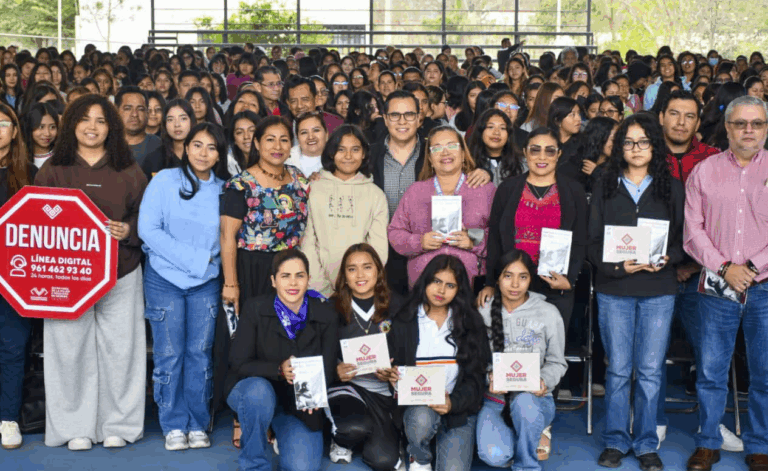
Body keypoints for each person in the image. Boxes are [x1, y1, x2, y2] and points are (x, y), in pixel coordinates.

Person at [34, 94, 148, 451]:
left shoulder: (129, 169)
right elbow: (34, 220)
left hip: (121, 273)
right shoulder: (52, 169)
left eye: (101, 120)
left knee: (122, 351)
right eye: (85, 119)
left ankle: (120, 424)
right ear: (72, 125)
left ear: (111, 127)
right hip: (67, 280)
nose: (93, 127)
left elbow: (148, 217)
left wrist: (130, 230)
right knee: (68, 353)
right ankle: (73, 427)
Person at [587, 114, 684, 471]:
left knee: (649, 371)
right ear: (619, 148)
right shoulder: (605, 184)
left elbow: (681, 241)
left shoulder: (671, 186)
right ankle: (615, 440)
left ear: (654, 145)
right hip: (615, 288)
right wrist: (615, 266)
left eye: (643, 141)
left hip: (659, 288)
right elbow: (592, 241)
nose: (636, 148)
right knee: (618, 371)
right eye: (628, 142)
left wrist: (666, 258)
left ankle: (645, 444)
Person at [683, 96, 768, 471]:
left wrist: (751, 267)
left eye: (757, 123)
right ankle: (707, 441)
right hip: (717, 285)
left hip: (765, 286)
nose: (749, 130)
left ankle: (760, 444)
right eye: (740, 123)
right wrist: (724, 267)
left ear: (765, 127)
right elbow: (692, 231)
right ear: (728, 128)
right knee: (711, 370)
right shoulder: (704, 171)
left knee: (764, 372)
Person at [656, 89, 743, 452]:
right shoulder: (646, 155)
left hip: (704, 275)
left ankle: (712, 425)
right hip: (655, 271)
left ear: (699, 122)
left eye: (689, 115)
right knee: (651, 354)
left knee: (712, 354)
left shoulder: (713, 160)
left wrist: (693, 263)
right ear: (661, 117)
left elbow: (719, 222)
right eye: (674, 114)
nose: (680, 121)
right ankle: (652, 421)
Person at [214, 115, 310, 427]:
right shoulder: (240, 185)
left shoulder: (300, 180)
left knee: (284, 338)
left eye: (284, 139)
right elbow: (227, 236)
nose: (277, 146)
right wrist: (231, 283)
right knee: (247, 342)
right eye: (270, 139)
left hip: (289, 274)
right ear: (256, 143)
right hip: (250, 270)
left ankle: (281, 410)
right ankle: (245, 414)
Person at [138, 122, 227, 451]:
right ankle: (173, 423)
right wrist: (195, 260)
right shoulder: (163, 180)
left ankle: (198, 421)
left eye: (212, 147)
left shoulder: (223, 189)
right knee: (169, 354)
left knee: (199, 355)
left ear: (219, 154)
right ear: (186, 148)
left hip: (206, 281)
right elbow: (148, 229)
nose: (203, 153)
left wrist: (205, 264)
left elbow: (226, 237)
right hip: (164, 279)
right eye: (197, 145)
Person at [225, 249, 338, 471]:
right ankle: (254, 464)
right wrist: (278, 369)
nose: (293, 282)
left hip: (297, 403)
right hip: (253, 390)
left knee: (303, 467)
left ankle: (278, 432)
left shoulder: (326, 314)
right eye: (285, 276)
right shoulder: (255, 308)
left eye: (300, 275)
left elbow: (328, 367)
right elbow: (238, 363)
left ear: (308, 279)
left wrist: (314, 397)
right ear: (273, 281)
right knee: (258, 394)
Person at [478, 126, 587, 340]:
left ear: (559, 154)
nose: (542, 157)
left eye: (550, 150)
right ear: (525, 152)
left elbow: (581, 238)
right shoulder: (508, 189)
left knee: (550, 354)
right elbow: (494, 241)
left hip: (555, 285)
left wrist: (570, 279)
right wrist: (490, 283)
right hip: (512, 286)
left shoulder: (574, 191)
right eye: (535, 150)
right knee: (510, 351)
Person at [383, 254, 490, 471]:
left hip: (457, 409)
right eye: (436, 281)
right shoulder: (404, 319)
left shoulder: (471, 323)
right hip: (418, 407)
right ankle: (418, 455)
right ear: (425, 281)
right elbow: (393, 368)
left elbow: (477, 378)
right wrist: (392, 375)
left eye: (450, 285)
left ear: (459, 289)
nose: (441, 291)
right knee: (421, 420)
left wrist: (453, 403)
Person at [476, 249, 567, 471]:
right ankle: (525, 433)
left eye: (523, 277)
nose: (515, 284)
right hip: (495, 400)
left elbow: (558, 362)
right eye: (508, 275)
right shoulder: (482, 312)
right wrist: (488, 376)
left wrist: (544, 380)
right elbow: (471, 360)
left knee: (525, 405)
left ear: (531, 279)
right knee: (495, 456)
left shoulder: (548, 312)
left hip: (535, 398)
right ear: (497, 278)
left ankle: (527, 463)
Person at [388, 125, 496, 288]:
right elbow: (395, 232)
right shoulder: (416, 191)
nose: (445, 153)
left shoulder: (485, 190)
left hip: (471, 284)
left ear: (463, 153)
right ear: (430, 158)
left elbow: (500, 236)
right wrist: (419, 242)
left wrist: (473, 240)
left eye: (452, 146)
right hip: (423, 284)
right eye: (437, 148)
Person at [326, 244, 404, 468]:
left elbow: (408, 352)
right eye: (352, 269)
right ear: (344, 276)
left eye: (367, 267)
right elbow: (319, 355)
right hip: (348, 387)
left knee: (384, 461)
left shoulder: (397, 305)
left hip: (382, 392)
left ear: (378, 271)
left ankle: (375, 433)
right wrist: (335, 369)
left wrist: (393, 371)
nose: (360, 275)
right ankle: (342, 439)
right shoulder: (332, 308)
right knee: (353, 427)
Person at [303, 124, 388, 296]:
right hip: (318, 289)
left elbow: (378, 249)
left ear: (364, 154)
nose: (348, 156)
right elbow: (307, 243)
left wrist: (360, 283)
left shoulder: (376, 195)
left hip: (361, 288)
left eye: (355, 149)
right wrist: (322, 287)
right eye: (341, 149)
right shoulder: (314, 189)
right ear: (331, 153)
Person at [0, 102, 37, 450]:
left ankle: (7, 418)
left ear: (14, 131)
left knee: (12, 348)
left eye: (2, 123)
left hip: (15, 277)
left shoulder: (28, 175)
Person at [141, 98, 197, 180]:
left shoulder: (201, 155)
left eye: (183, 118)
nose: (177, 124)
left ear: (191, 121)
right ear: (165, 124)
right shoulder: (154, 159)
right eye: (170, 119)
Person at [467, 109, 524, 185]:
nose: (496, 132)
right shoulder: (467, 162)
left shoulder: (522, 163)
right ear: (481, 131)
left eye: (502, 128)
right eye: (491, 127)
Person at [116, 86, 162, 167]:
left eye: (140, 109)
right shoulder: (106, 145)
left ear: (147, 113)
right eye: (128, 108)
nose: (134, 114)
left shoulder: (160, 146)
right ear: (116, 111)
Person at [20, 101, 58, 168]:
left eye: (52, 127)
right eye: (41, 127)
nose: (47, 133)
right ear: (29, 127)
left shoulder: (63, 157)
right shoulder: (20, 158)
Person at [226, 110, 259, 178]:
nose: (246, 136)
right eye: (240, 132)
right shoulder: (229, 164)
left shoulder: (273, 160)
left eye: (252, 131)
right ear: (234, 139)